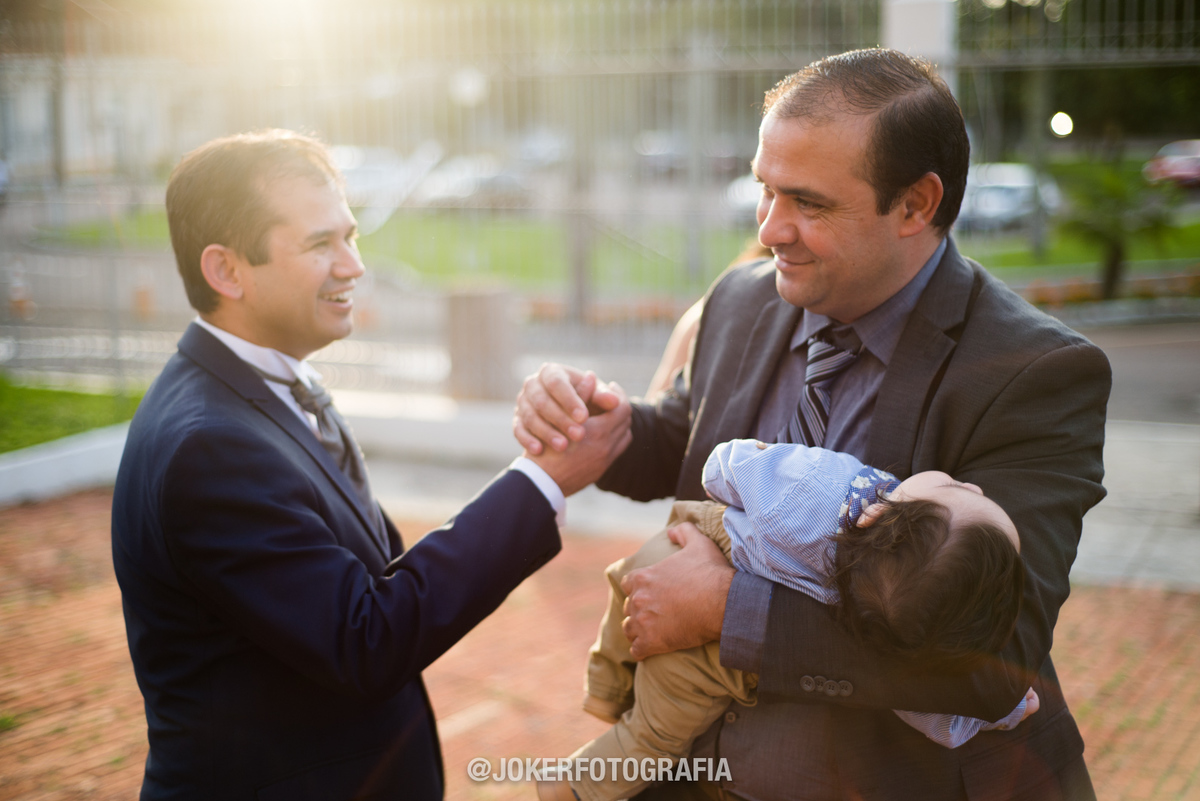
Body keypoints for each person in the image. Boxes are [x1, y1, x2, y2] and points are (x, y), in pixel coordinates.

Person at [514, 49, 1110, 800]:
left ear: (916, 205)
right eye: (765, 191)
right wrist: (601, 426)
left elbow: (1001, 658)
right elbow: (686, 439)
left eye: (808, 203)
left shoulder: (1034, 373)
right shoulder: (742, 299)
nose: (770, 230)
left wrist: (730, 612)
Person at [111, 130, 630, 801]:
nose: (353, 265)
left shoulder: (270, 388)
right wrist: (542, 480)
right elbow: (367, 636)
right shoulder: (209, 446)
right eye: (320, 243)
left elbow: (371, 577)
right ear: (226, 270)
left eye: (350, 236)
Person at [540, 439, 1036, 801]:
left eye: (954, 486)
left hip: (688, 547)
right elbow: (939, 718)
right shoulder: (898, 641)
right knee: (649, 740)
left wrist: (751, 458)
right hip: (712, 668)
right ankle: (570, 787)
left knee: (622, 586)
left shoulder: (819, 488)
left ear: (875, 514)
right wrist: (1007, 708)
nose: (970, 481)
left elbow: (722, 467)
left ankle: (604, 690)